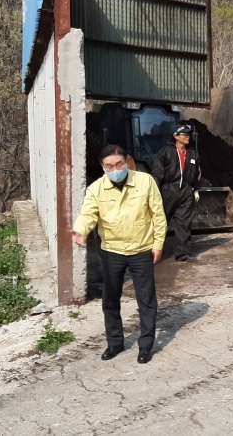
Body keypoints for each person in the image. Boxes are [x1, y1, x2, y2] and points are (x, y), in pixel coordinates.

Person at [71, 144, 167, 364]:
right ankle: (115, 343)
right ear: (103, 167)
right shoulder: (96, 189)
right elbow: (88, 214)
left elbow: (158, 215)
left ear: (127, 161)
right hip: (112, 251)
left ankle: (145, 345)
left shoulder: (145, 182)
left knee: (146, 299)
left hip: (141, 249)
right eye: (109, 166)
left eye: (119, 164)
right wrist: (80, 230)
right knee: (111, 299)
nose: (115, 169)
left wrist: (158, 243)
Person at [151, 125, 201, 262]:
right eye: (184, 134)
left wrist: (195, 189)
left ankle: (182, 253)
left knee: (184, 223)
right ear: (176, 136)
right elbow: (157, 173)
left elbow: (197, 173)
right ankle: (151, 250)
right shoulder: (166, 152)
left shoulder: (193, 154)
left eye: (188, 134)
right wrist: (155, 192)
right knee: (160, 221)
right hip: (168, 190)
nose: (187, 137)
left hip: (186, 192)